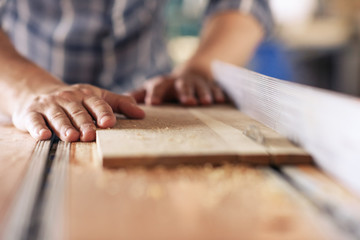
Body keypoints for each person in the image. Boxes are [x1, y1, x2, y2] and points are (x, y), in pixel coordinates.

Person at [0, 0, 272, 142]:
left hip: (149, 99)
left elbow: (244, 4)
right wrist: (29, 89)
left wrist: (200, 69)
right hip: (22, 99)